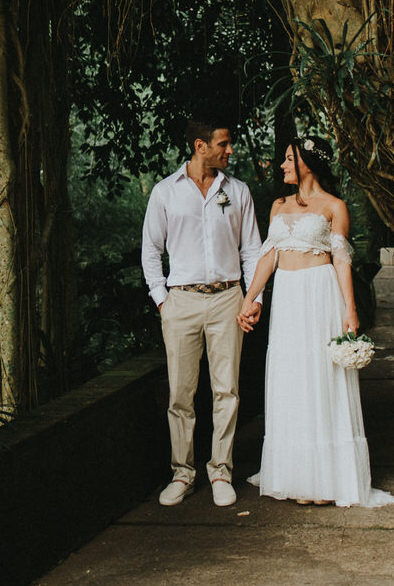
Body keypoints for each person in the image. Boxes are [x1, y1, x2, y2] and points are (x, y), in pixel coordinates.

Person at [236, 136, 394, 508]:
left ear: (308, 162)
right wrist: (250, 298)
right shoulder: (278, 206)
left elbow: (342, 260)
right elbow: (268, 256)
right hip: (288, 297)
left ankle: (328, 478)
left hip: (320, 293)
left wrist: (350, 310)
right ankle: (297, 476)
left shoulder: (334, 206)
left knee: (322, 377)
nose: (283, 166)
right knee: (291, 377)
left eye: (289, 159)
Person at [141, 117, 263, 507]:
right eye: (223, 144)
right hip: (181, 302)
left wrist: (252, 299)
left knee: (227, 390)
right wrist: (163, 300)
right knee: (180, 393)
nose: (230, 151)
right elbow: (150, 251)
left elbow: (252, 251)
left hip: (228, 298)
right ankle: (182, 473)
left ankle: (221, 472)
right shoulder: (165, 192)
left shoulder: (238, 191)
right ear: (199, 146)